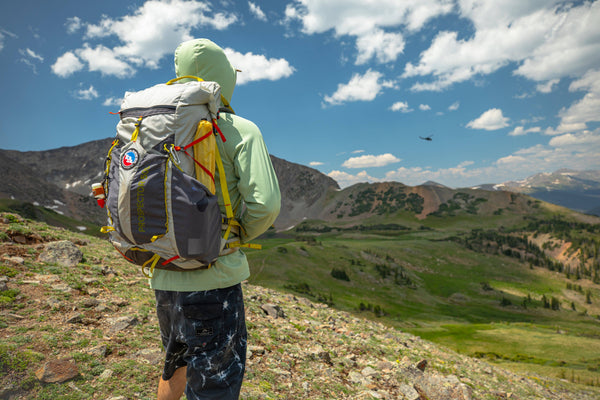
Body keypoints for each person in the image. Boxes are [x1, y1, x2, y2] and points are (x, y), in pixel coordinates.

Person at [151, 38, 281, 400]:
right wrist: (231, 237)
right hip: (213, 277)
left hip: (163, 273)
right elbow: (266, 205)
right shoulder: (239, 129)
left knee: (174, 362)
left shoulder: (157, 128)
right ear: (223, 78)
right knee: (215, 386)